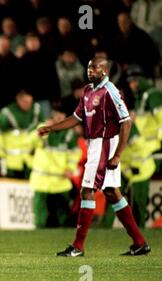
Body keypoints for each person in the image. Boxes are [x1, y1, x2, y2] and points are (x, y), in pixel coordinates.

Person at [38, 57, 151, 256]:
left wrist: (117, 155)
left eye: (95, 68)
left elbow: (126, 122)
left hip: (104, 144)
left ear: (105, 71)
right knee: (111, 192)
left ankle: (78, 246)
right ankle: (140, 242)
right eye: (89, 67)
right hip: (95, 144)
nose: (91, 70)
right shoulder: (88, 91)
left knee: (87, 191)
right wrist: (52, 128)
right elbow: (76, 117)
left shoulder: (111, 91)